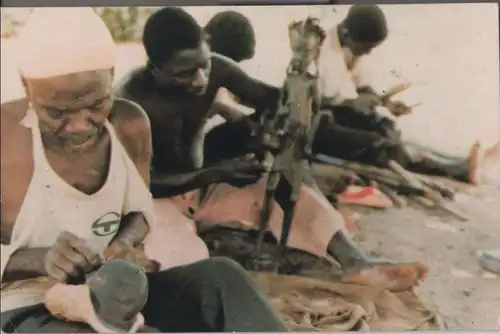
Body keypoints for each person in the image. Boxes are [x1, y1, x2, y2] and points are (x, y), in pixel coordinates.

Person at [0, 8, 289, 333]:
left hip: (114, 293)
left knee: (224, 280)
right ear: (26, 86)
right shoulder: (5, 136)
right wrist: (39, 259)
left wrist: (123, 244)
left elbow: (139, 210)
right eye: (57, 113)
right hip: (24, 306)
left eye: (97, 105)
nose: (80, 126)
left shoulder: (130, 123)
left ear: (111, 76)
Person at [115, 6, 428, 293]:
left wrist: (302, 70)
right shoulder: (130, 101)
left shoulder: (218, 70)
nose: (200, 80)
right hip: (155, 202)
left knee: (294, 195)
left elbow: (276, 100)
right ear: (154, 69)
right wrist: (218, 172)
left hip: (202, 190)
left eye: (204, 65)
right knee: (185, 261)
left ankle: (356, 264)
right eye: (184, 73)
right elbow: (142, 184)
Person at [315, 4, 499, 184]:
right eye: (366, 47)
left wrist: (387, 104)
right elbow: (313, 106)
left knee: (386, 127)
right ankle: (456, 170)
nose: (368, 52)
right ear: (347, 33)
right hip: (319, 124)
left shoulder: (350, 45)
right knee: (376, 143)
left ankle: (455, 163)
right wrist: (353, 104)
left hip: (340, 113)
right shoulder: (318, 53)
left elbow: (362, 87)